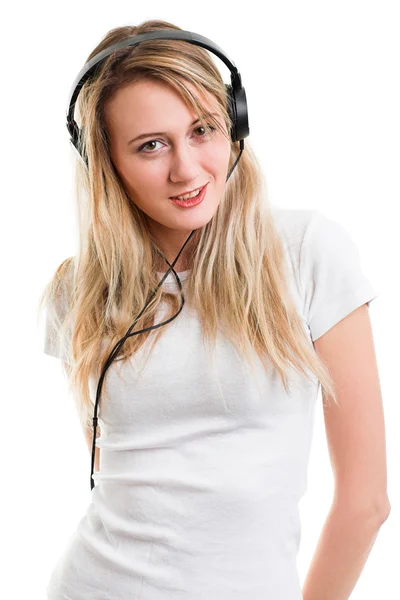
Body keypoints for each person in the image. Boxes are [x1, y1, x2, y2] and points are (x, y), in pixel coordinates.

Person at [38, 19, 390, 600]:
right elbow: (118, 474)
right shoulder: (78, 292)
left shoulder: (306, 253)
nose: (186, 168)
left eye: (202, 130)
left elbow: (366, 502)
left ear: (236, 124)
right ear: (107, 166)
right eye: (151, 145)